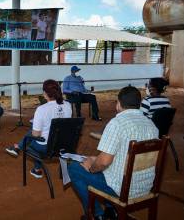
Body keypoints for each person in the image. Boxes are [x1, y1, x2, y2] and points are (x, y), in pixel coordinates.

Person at [67, 86, 159, 220]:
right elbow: (125, 157)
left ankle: (97, 215)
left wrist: (91, 167)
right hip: (145, 187)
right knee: (99, 163)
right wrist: (95, 159)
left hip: (122, 190)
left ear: (118, 104)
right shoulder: (152, 126)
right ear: (139, 104)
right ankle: (112, 210)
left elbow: (104, 162)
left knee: (74, 168)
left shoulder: (117, 123)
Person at [5, 79, 72, 178]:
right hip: (62, 145)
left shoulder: (42, 109)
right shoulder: (68, 105)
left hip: (46, 148)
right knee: (36, 131)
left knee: (31, 139)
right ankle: (35, 169)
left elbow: (36, 135)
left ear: (45, 93)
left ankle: (18, 147)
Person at [89, 77, 171, 140]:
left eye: (148, 85)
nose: (147, 86)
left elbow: (139, 116)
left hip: (145, 129)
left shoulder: (148, 101)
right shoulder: (166, 100)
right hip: (160, 131)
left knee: (121, 115)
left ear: (152, 88)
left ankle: (105, 134)